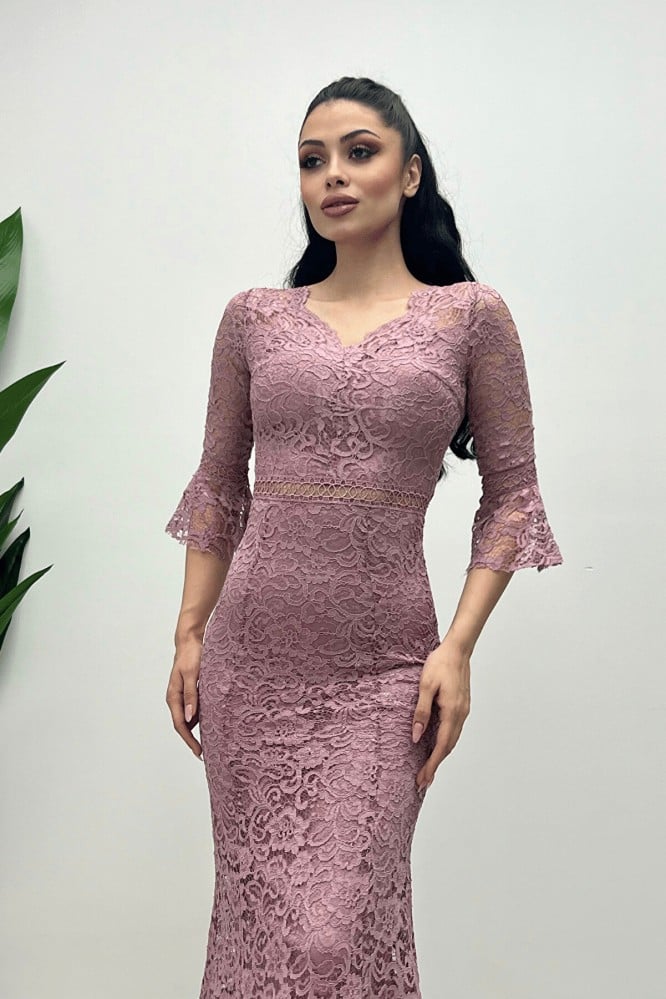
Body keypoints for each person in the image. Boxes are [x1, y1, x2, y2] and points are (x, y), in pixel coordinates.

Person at [164, 75, 563, 999]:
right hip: (250, 667)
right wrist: (188, 632)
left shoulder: (471, 318)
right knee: (261, 930)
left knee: (333, 937)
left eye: (359, 152)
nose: (332, 176)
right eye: (312, 161)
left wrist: (457, 648)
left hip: (384, 672)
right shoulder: (254, 318)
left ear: (410, 173)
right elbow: (219, 485)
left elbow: (513, 498)